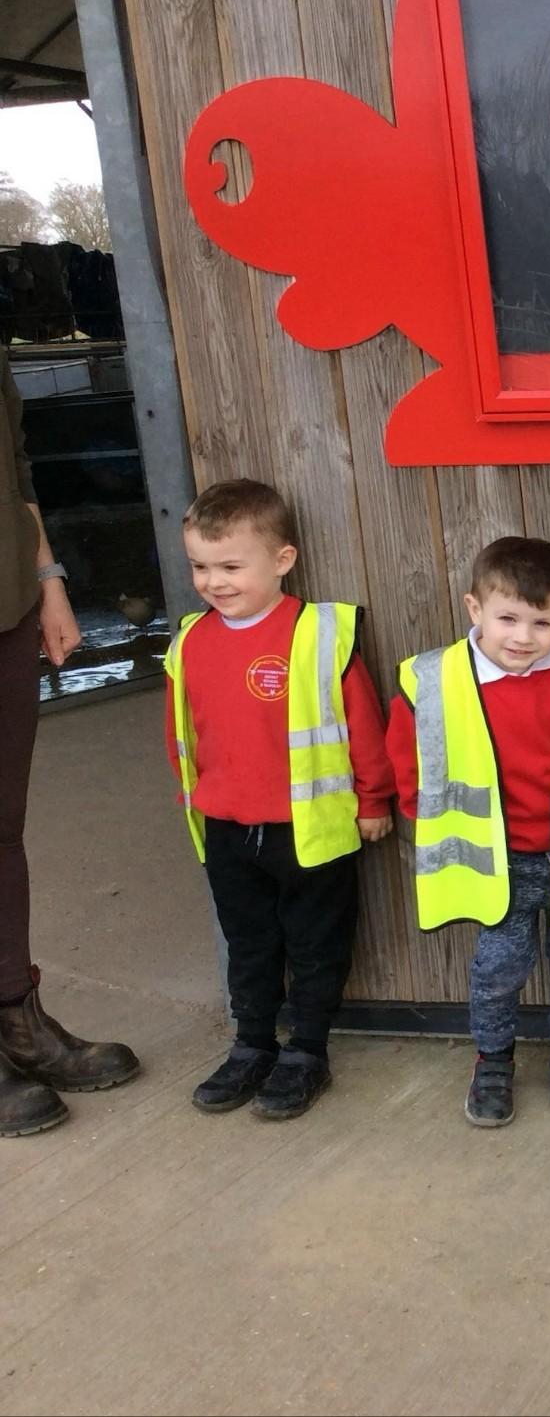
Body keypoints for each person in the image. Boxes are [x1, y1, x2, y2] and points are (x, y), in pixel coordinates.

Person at [164, 479, 394, 1119]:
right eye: (200, 567)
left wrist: (373, 800)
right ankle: (252, 1044)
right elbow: (179, 733)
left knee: (317, 944)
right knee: (249, 944)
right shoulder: (189, 640)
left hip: (309, 830)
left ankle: (308, 1051)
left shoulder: (319, 633)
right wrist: (198, 798)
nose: (214, 582)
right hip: (226, 828)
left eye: (231, 567)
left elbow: (363, 724)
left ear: (282, 560)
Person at [388, 537, 550, 1127]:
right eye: (507, 618)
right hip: (497, 862)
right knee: (499, 967)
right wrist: (422, 815)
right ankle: (493, 1060)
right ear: (475, 608)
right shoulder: (432, 677)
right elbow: (408, 759)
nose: (523, 637)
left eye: (542, 622)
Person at [0, 348, 139, 1138]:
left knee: (3, 829)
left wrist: (48, 580)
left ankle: (18, 1022)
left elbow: (14, 467)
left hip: (7, 598)